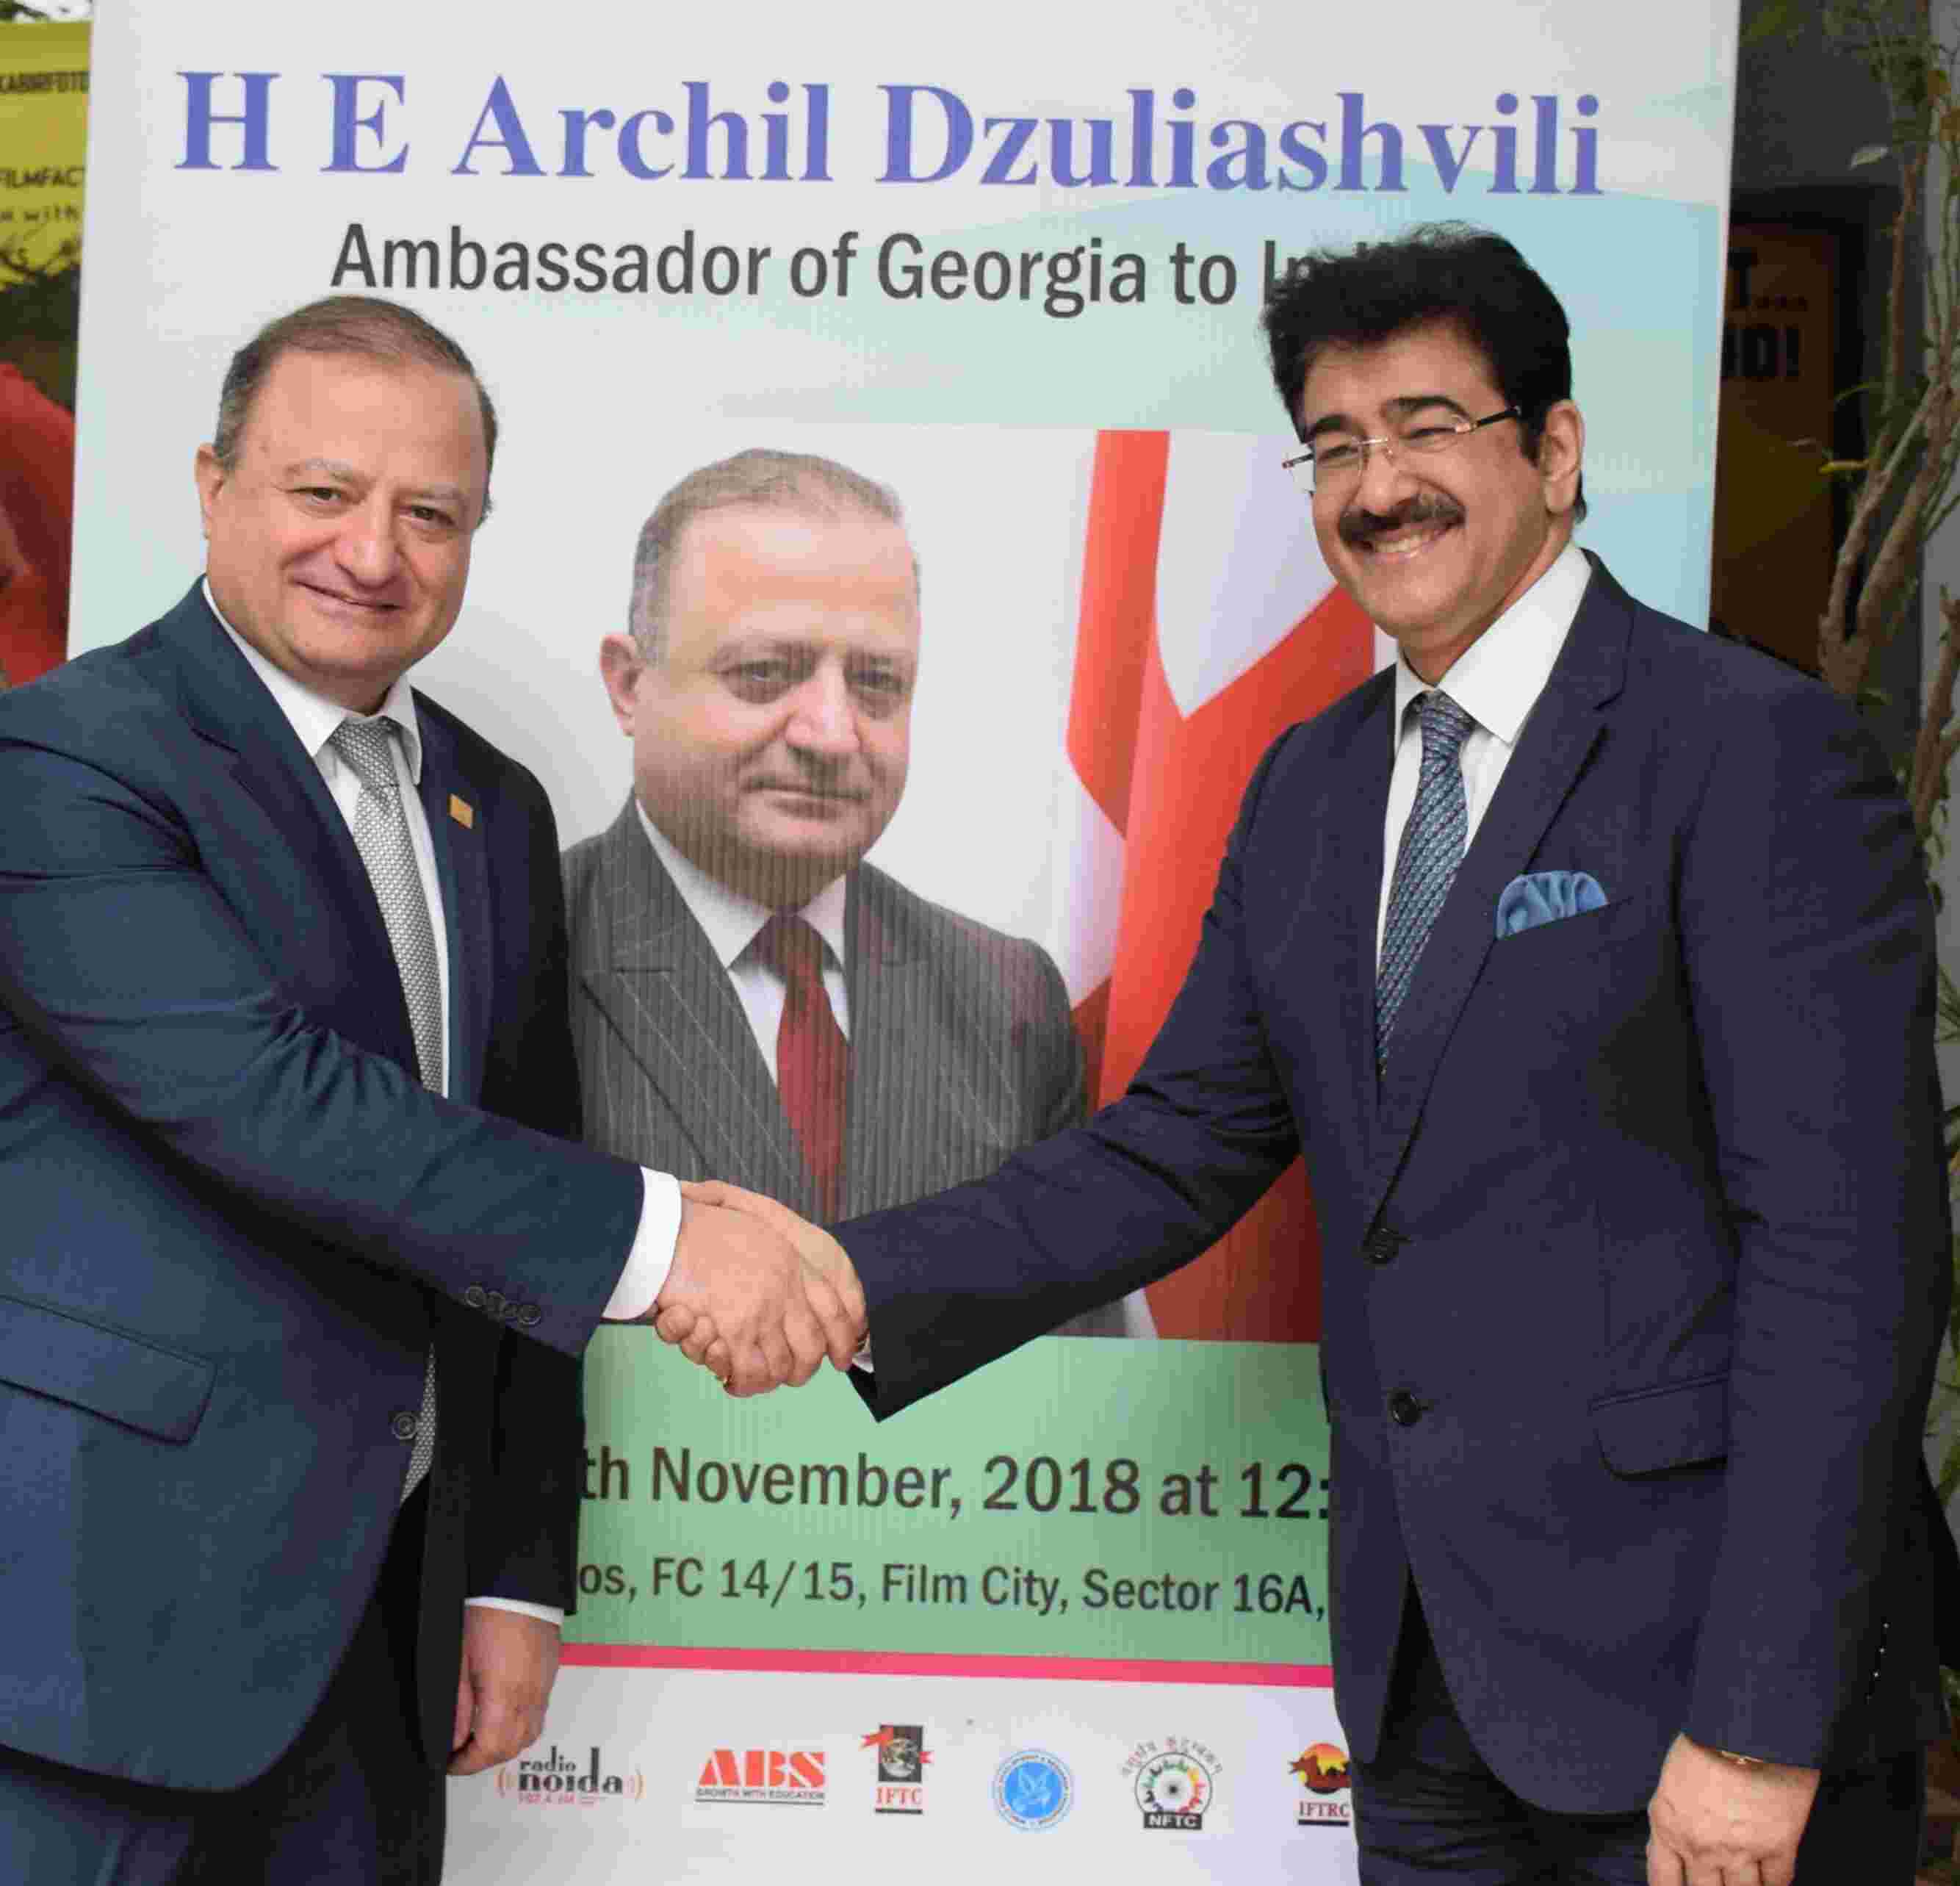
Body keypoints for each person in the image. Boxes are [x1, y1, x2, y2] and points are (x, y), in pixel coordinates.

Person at [666, 226, 1955, 1885]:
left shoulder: (1750, 751)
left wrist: (1759, 1728)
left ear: (1555, 452)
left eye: (1427, 427)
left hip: (1694, 1694)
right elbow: (1176, 1143)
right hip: (1423, 1683)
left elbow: (1845, 1266)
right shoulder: (1313, 788)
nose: (1377, 485)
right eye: (1335, 445)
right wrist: (846, 1272)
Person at [0, 296, 860, 1886]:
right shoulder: (62, 759)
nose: (372, 552)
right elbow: (272, 1097)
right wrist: (675, 1241)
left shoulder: (491, 803)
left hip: (382, 1639)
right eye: (324, 492)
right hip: (93, 1633)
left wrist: (512, 1571)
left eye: (430, 513)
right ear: (213, 487)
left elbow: (507, 1169)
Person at [569, 447, 1135, 1337]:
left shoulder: (1009, 1000)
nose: (833, 733)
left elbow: (1073, 1363)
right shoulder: (514, 951)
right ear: (630, 684)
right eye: (765, 671)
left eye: (876, 683)